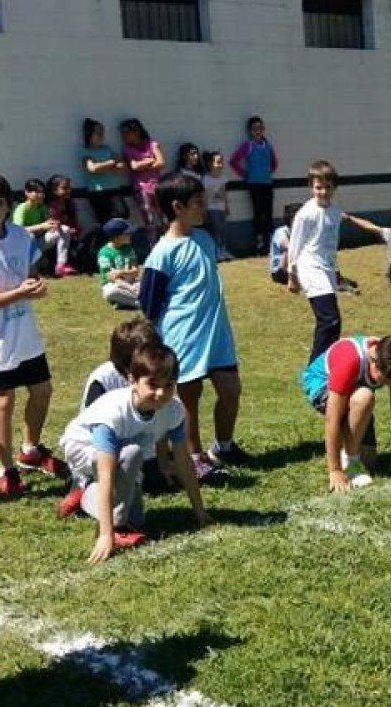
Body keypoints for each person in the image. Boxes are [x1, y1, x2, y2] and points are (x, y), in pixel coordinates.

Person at [0, 170, 68, 495]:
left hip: (26, 333)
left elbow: (31, 274)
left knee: (43, 390)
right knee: (3, 400)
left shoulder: (21, 236)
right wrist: (21, 293)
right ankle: (6, 469)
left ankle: (30, 451)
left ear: (8, 206)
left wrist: (36, 286)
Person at [57, 341, 209, 563]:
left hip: (124, 450)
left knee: (137, 520)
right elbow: (107, 473)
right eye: (153, 384)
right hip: (84, 447)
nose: (161, 393)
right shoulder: (113, 414)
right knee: (132, 455)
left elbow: (184, 461)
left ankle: (87, 495)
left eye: (169, 385)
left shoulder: (174, 410)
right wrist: (106, 535)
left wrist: (200, 511)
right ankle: (103, 511)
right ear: (132, 380)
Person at [139, 170, 248, 478]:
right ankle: (194, 456)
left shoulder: (203, 238)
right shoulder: (161, 254)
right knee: (189, 395)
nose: (204, 207)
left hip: (217, 334)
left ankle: (223, 446)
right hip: (183, 336)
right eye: (198, 202)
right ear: (177, 207)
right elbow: (149, 304)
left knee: (230, 388)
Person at [61, 318, 172, 517]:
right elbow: (98, 435)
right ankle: (84, 487)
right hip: (99, 451)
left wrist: (163, 462)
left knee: (159, 482)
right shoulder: (103, 380)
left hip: (135, 444)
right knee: (121, 483)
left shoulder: (157, 379)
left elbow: (161, 421)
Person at [284, 160, 384, 362]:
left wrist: (336, 272)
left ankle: (326, 363)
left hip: (326, 269)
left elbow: (340, 232)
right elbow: (294, 245)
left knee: (333, 322)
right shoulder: (306, 213)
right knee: (329, 319)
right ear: (311, 186)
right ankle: (315, 368)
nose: (323, 192)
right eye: (318, 187)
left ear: (334, 188)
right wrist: (292, 276)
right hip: (310, 269)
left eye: (327, 187)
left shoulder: (335, 210)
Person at [300, 335, 391, 492]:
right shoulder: (349, 360)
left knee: (369, 462)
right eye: (388, 379)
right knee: (364, 396)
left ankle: (347, 451)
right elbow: (332, 418)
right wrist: (335, 470)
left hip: (354, 388)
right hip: (320, 383)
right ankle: (350, 462)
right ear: (374, 362)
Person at [230, 115, 279, 254]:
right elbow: (234, 161)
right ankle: (259, 243)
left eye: (260, 128)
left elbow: (274, 162)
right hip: (254, 184)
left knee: (268, 213)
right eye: (254, 128)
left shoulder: (267, 144)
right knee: (258, 213)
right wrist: (246, 174)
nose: (258, 131)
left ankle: (269, 242)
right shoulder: (248, 145)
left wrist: (267, 172)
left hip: (267, 183)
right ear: (250, 131)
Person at [121, 118, 166, 235]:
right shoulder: (128, 149)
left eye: (126, 132)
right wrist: (150, 160)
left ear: (136, 131)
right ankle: (152, 245)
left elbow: (161, 163)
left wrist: (143, 165)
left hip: (156, 185)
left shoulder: (152, 144)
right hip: (141, 188)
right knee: (148, 218)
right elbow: (134, 166)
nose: (124, 136)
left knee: (164, 215)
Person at [81, 117, 129, 226]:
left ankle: (117, 237)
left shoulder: (107, 149)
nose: (101, 136)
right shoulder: (85, 151)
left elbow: (122, 166)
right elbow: (92, 168)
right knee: (104, 219)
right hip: (97, 191)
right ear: (89, 134)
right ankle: (108, 240)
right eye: (97, 133)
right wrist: (111, 163)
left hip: (113, 188)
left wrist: (103, 166)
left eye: (102, 133)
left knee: (123, 212)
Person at [96, 217, 141, 309]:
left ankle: (127, 302)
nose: (130, 235)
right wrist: (131, 288)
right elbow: (112, 278)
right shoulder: (104, 253)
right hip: (115, 284)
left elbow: (136, 271)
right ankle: (142, 303)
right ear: (116, 237)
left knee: (147, 285)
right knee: (110, 292)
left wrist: (120, 272)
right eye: (127, 234)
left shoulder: (129, 249)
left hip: (131, 281)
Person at [44, 173, 82, 277]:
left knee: (95, 229)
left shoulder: (70, 204)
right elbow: (52, 227)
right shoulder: (50, 207)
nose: (68, 191)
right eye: (64, 188)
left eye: (69, 188)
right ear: (54, 190)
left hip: (71, 236)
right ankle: (62, 266)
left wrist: (75, 230)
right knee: (65, 232)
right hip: (56, 239)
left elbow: (75, 223)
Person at [200, 150, 235, 261]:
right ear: (210, 164)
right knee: (215, 229)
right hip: (211, 208)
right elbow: (204, 196)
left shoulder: (223, 178)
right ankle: (216, 251)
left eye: (221, 162)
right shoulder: (206, 179)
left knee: (223, 229)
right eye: (218, 162)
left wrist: (227, 206)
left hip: (221, 208)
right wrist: (204, 210)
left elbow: (224, 193)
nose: (221, 164)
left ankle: (224, 250)